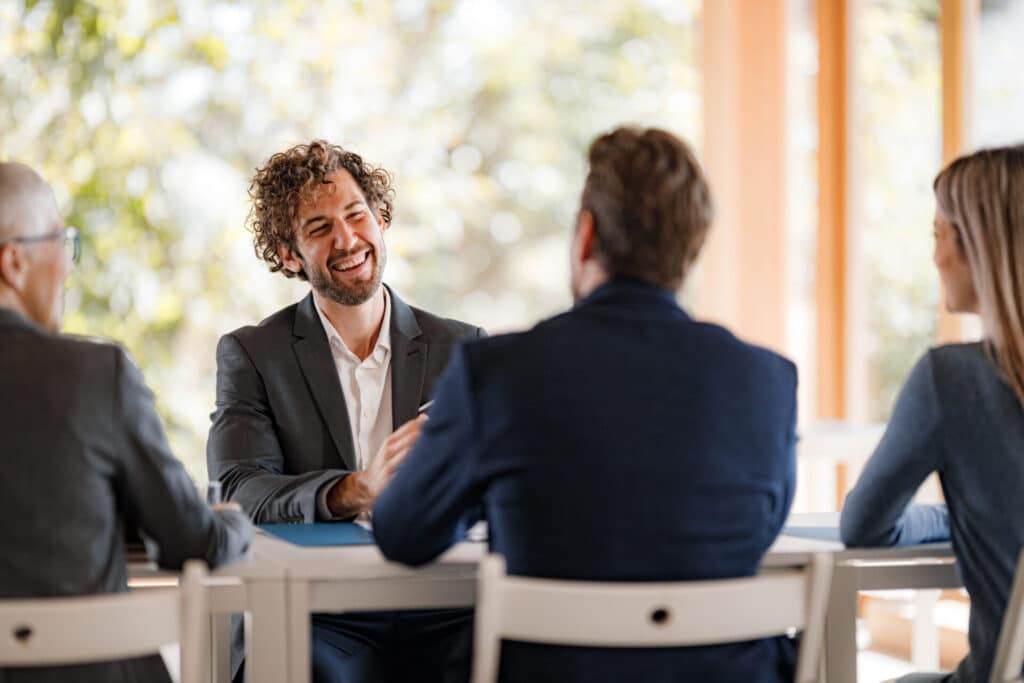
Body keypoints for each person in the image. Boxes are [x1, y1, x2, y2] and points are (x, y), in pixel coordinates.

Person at [373, 126, 799, 683]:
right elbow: (756, 531)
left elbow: (404, 533)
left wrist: (482, 498)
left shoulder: (496, 373)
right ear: (690, 250)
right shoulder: (769, 381)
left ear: (586, 236)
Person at [207, 140, 485, 683]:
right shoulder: (252, 354)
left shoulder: (463, 347)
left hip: (444, 606)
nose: (348, 239)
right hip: (317, 617)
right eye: (319, 228)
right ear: (289, 254)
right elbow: (239, 488)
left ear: (380, 219)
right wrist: (355, 489)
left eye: (357, 216)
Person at [0, 163, 252, 683]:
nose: (68, 266)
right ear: (14, 262)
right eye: (60, 241)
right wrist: (233, 519)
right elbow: (192, 541)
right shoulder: (95, 374)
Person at [841, 145, 1024, 683]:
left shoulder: (953, 380)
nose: (936, 256)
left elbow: (863, 526)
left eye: (939, 235)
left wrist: (952, 518)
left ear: (979, 249)